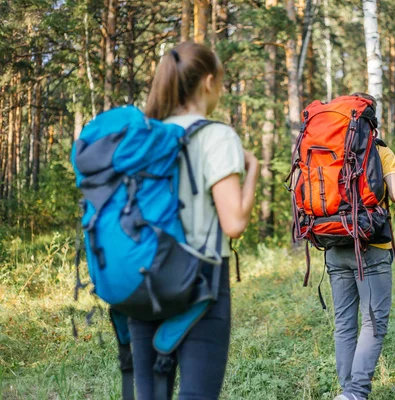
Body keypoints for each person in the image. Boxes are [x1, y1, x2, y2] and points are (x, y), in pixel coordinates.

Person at [129, 41, 259, 399]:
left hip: (142, 280)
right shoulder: (216, 136)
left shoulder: (143, 136)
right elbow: (233, 223)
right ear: (207, 81)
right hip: (200, 283)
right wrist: (253, 171)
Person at [330, 93, 395, 400]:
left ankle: (347, 392)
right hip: (371, 246)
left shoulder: (329, 150)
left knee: (344, 324)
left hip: (334, 241)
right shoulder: (378, 151)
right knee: (373, 323)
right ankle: (355, 393)